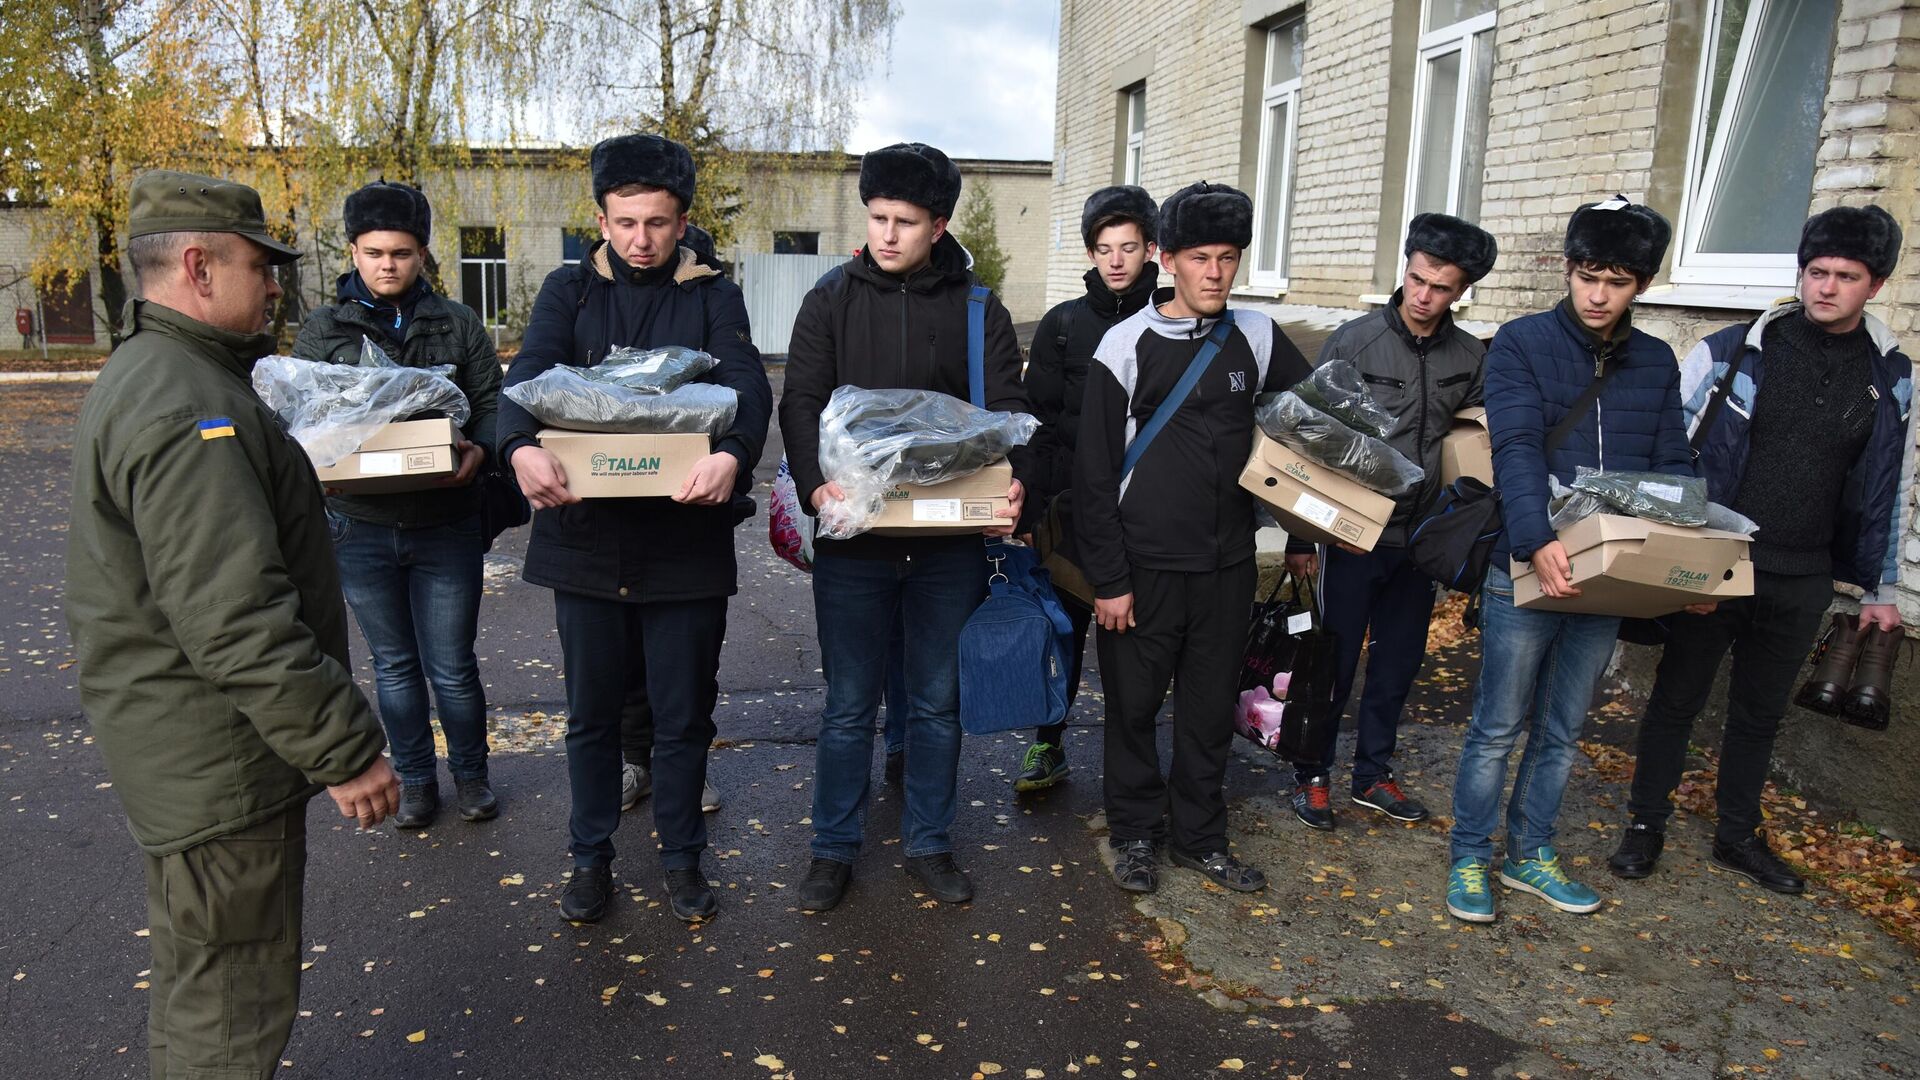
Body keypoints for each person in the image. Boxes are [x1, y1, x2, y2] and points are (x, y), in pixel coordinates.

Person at [66, 169, 398, 1079]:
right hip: (214, 758)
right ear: (201, 266)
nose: (277, 284)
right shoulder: (188, 407)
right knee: (229, 1010)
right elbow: (236, 616)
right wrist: (345, 749)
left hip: (190, 747)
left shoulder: (166, 375)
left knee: (204, 981)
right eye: (263, 264)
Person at [496, 133, 772, 924]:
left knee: (684, 718)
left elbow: (745, 380)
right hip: (583, 543)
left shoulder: (713, 292)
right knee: (590, 719)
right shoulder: (568, 289)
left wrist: (735, 454)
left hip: (685, 542)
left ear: (683, 221)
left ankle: (683, 860)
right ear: (600, 218)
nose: (640, 240)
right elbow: (523, 383)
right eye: (624, 223)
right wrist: (516, 448)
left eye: (657, 223)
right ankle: (590, 861)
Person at [1609, 205, 1912, 894]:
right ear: (1800, 274)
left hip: (1805, 577)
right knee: (1678, 698)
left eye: (1845, 276)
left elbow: (1893, 485)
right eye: (1815, 272)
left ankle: (1737, 835)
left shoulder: (1891, 375)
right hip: (1718, 563)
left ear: (1877, 284)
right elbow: (1670, 461)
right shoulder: (1730, 351)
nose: (1825, 288)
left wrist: (1882, 592)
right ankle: (1645, 822)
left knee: (1759, 712)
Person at [781, 142, 1030, 912]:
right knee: (850, 704)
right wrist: (817, 483)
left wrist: (1021, 488)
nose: (887, 235)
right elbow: (800, 401)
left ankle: (928, 842)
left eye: (906, 221)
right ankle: (832, 850)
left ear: (939, 224)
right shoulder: (830, 299)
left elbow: (1011, 420)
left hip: (949, 546)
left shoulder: (977, 309)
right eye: (878, 218)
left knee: (933, 703)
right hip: (854, 543)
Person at [1444, 197, 1694, 924]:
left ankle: (1530, 854)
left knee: (1561, 731)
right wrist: (1536, 541)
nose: (1597, 294)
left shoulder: (1654, 359)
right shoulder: (1521, 342)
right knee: (1497, 726)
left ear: (1640, 285)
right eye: (1588, 275)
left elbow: (1671, 466)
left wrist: (1684, 558)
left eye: (1616, 281)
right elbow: (1514, 447)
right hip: (1529, 563)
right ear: (1568, 268)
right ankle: (1468, 857)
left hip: (1609, 578)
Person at [1076, 181, 1311, 895]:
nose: (1215, 273)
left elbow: (1306, 437)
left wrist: (1303, 531)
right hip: (1143, 573)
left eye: (1229, 258)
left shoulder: (1259, 338)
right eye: (1200, 258)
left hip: (1228, 567)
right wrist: (1109, 581)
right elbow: (1092, 477)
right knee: (1135, 713)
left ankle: (1200, 840)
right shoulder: (1124, 345)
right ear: (1166, 258)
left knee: (1208, 716)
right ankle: (1137, 836)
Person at [293, 180, 502, 828]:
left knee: (453, 667)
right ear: (354, 250)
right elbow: (304, 416)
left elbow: (493, 406)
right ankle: (416, 781)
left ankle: (470, 775)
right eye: (376, 252)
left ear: (422, 254)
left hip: (446, 526)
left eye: (403, 253)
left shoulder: (457, 322)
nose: (389, 265)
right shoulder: (324, 331)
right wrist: (318, 462)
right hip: (360, 528)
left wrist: (482, 454)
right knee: (395, 668)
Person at [1282, 213, 1496, 829]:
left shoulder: (1466, 355)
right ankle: (1312, 775)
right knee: (1335, 663)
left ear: (1461, 290)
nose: (1423, 296)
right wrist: (1302, 535)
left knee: (1398, 663)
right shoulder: (1354, 340)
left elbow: (1474, 439)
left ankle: (1373, 775)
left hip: (1421, 540)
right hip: (1352, 532)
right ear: (1405, 269)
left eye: (1441, 286)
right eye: (1417, 279)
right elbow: (1307, 437)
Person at [1010, 184, 1160, 793]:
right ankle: (1049, 742)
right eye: (1105, 248)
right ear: (1091, 253)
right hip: (1072, 509)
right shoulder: (1064, 324)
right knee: (1064, 633)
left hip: (1148, 513)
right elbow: (1037, 423)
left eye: (1129, 247)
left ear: (1152, 250)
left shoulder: (1175, 320)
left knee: (1139, 645)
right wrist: (1031, 509)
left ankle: (1132, 765)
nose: (1117, 260)